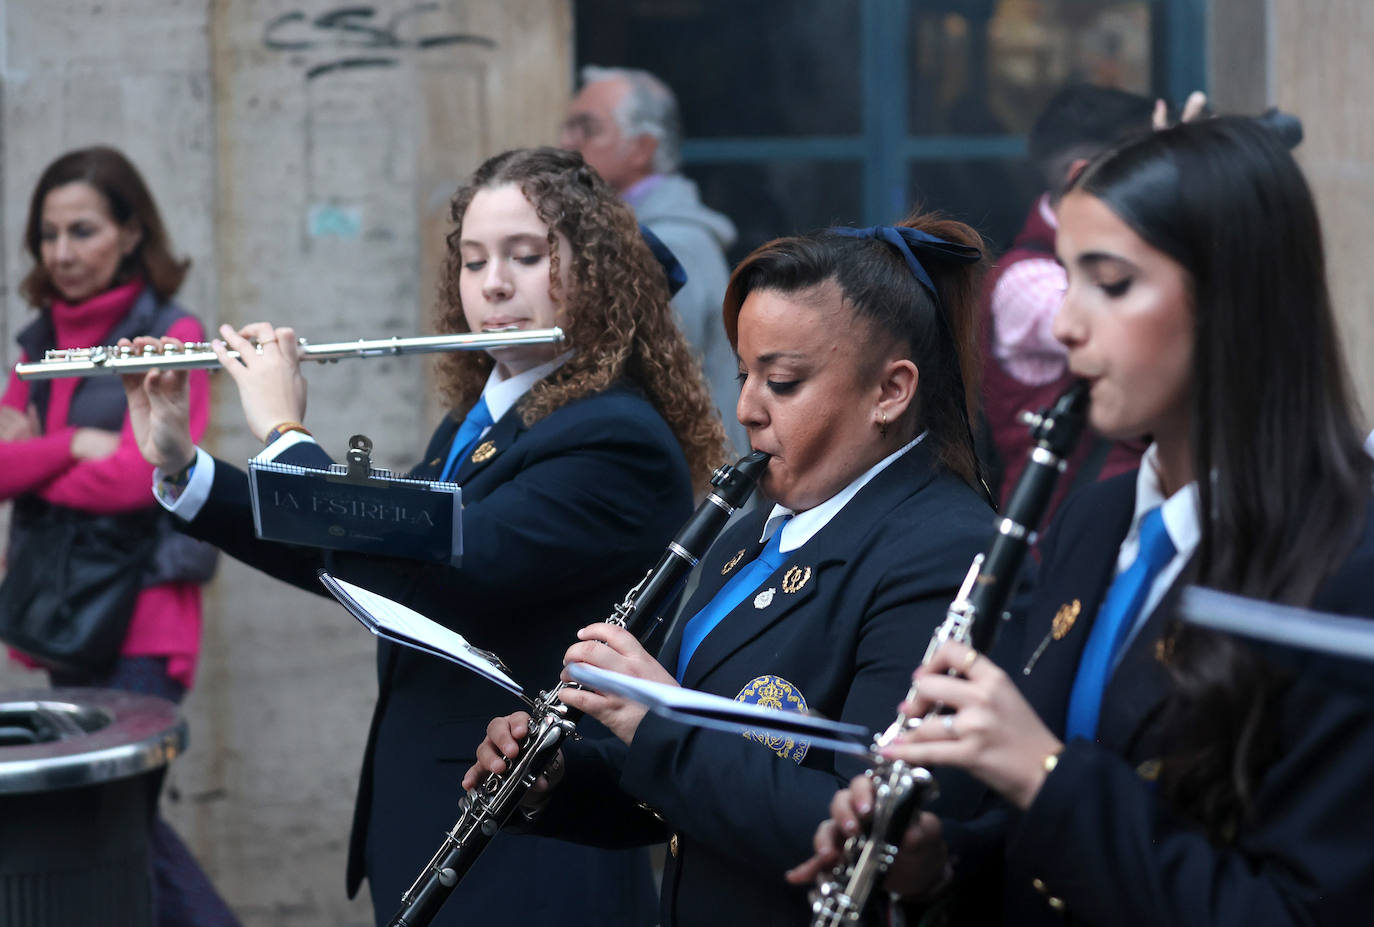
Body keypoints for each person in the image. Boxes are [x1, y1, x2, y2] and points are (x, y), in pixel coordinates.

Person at [792, 118, 1374, 926]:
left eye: (1111, 282)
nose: (1066, 326)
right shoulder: (1092, 521)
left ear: (1234, 298)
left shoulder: (1349, 562)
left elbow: (1297, 907)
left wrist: (1043, 771)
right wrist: (939, 863)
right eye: (1066, 280)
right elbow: (1047, 848)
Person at [122, 147, 725, 927]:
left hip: (530, 846)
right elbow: (363, 564)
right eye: (474, 262)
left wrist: (284, 430)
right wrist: (183, 465)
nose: (495, 285)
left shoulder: (616, 439)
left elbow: (448, 567)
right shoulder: (482, 422)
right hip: (434, 820)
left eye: (527, 256)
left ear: (600, 273)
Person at [466, 216, 998, 927]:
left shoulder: (944, 552)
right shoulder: (749, 532)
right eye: (745, 374)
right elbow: (685, 788)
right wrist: (558, 779)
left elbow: (871, 833)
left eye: (782, 381)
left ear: (891, 391)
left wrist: (655, 720)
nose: (745, 408)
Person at [0, 146, 235, 926]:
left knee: (118, 821)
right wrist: (68, 447)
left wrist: (34, 461)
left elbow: (147, 476)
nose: (61, 253)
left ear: (133, 232)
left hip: (145, 610)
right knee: (102, 824)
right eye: (49, 234)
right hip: (65, 607)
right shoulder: (38, 342)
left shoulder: (174, 329)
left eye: (84, 230)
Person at [979, 84, 1156, 517]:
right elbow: (1135, 341)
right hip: (1056, 544)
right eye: (1148, 168)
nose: (1161, 184)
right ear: (1080, 174)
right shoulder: (1026, 280)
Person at [559, 65, 744, 454]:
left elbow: (651, 377)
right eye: (568, 127)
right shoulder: (629, 231)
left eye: (587, 128)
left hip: (685, 488)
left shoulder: (671, 242)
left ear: (642, 147)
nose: (566, 143)